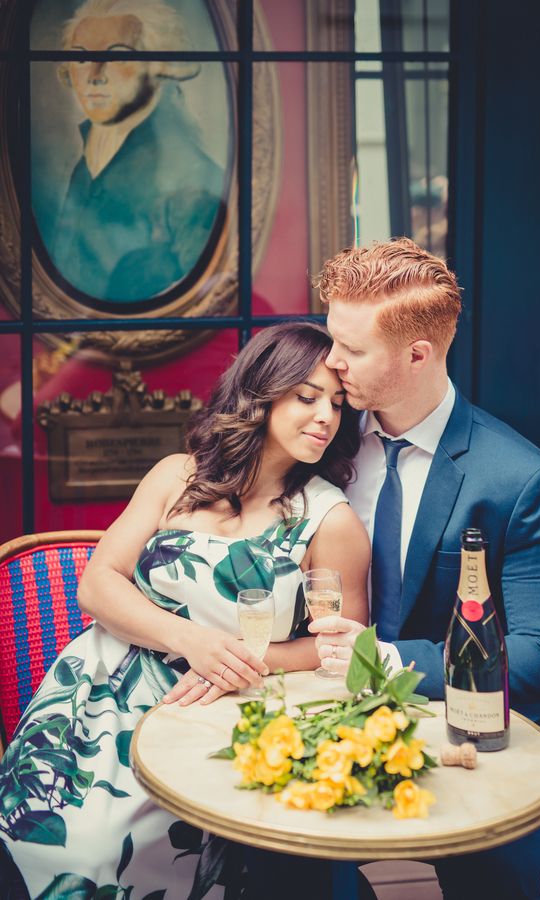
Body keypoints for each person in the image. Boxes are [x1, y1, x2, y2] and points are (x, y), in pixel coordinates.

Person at [0, 322, 370, 899]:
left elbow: (340, 648)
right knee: (42, 838)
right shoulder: (178, 474)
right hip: (94, 697)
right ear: (262, 391)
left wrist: (242, 657)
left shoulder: (329, 520)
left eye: (338, 404)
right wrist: (190, 639)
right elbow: (98, 584)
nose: (326, 416)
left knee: (110, 856)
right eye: (306, 397)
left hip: (210, 711)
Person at [308, 237, 540, 900]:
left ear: (416, 355)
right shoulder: (320, 436)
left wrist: (386, 662)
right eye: (330, 339)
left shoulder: (518, 478)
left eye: (351, 349)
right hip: (324, 723)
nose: (330, 362)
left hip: (479, 742)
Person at [44, 0, 226, 302]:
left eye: (116, 57)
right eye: (80, 59)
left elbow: (203, 301)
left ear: (158, 67)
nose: (94, 75)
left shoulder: (190, 176)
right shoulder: (90, 159)